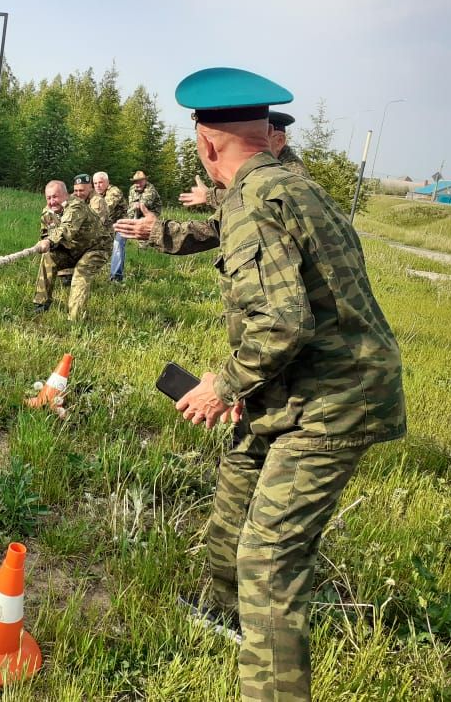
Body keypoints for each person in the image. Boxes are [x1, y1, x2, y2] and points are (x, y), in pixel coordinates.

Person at [118, 67, 406, 702]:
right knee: (237, 486)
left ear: (207, 143)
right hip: (291, 389)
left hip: (334, 400)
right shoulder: (281, 185)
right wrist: (162, 234)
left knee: (270, 562)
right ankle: (220, 614)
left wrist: (222, 384)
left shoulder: (258, 201)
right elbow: (222, 232)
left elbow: (282, 321)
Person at [180, 110, 309, 209]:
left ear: (279, 141)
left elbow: (257, 197)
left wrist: (210, 196)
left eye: (259, 137)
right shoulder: (262, 169)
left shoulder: (293, 174)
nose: (249, 145)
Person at [32, 179, 110, 321]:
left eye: (55, 197)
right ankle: (41, 304)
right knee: (48, 256)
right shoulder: (47, 212)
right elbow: (46, 233)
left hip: (96, 248)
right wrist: (46, 242)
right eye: (48, 198)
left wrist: (49, 241)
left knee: (81, 273)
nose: (51, 201)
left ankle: (75, 319)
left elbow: (66, 229)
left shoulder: (76, 206)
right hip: (72, 249)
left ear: (66, 195)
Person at [93, 171, 128, 281]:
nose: (98, 185)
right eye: (95, 183)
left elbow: (104, 209)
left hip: (122, 224)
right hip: (107, 225)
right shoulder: (95, 194)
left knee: (117, 244)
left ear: (107, 182)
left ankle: (116, 278)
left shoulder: (114, 191)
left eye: (100, 182)